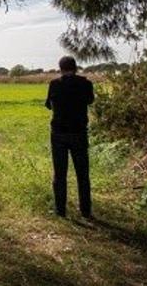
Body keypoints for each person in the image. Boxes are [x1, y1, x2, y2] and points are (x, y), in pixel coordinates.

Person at [45, 56, 94, 218]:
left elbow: (48, 105)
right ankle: (85, 211)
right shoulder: (86, 84)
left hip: (58, 133)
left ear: (60, 68)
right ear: (76, 67)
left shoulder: (54, 84)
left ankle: (60, 211)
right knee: (82, 174)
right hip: (79, 132)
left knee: (60, 174)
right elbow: (90, 100)